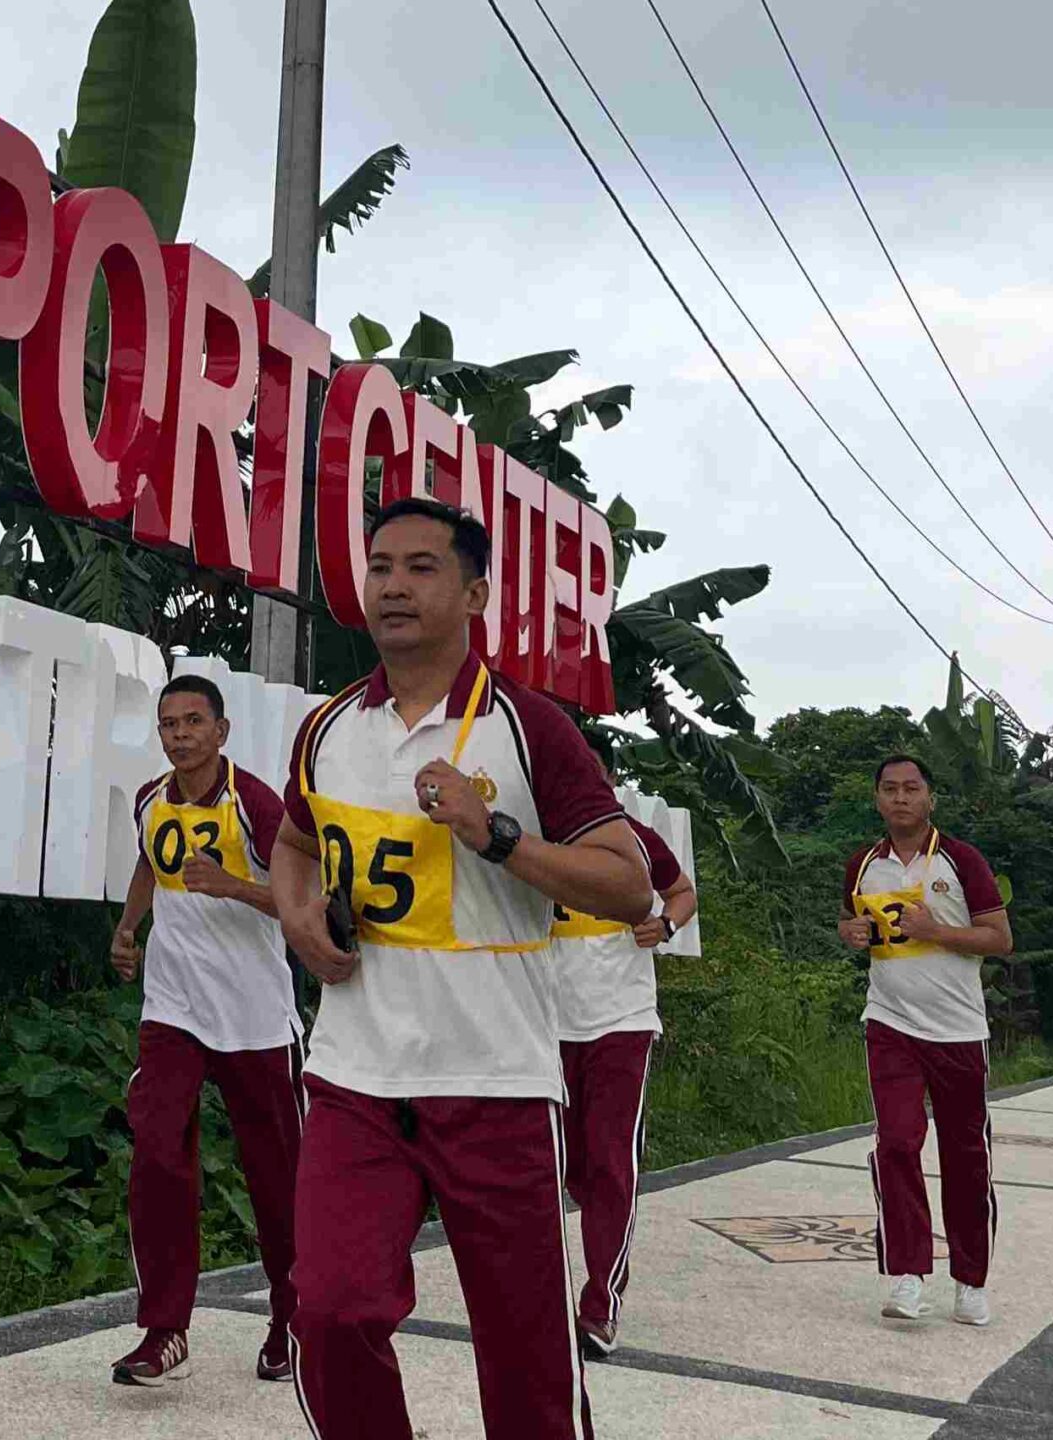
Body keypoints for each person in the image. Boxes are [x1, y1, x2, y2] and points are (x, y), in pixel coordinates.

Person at [272, 496, 654, 1440]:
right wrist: (298, 922)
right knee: (329, 1309)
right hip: (356, 1078)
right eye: (381, 566)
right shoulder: (328, 731)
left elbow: (627, 885)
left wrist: (498, 836)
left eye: (422, 567)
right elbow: (291, 842)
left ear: (476, 591)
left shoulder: (529, 728)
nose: (394, 585)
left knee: (525, 1361)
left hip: (497, 1081)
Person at [106, 675, 303, 1387]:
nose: (180, 734)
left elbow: (302, 899)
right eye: (168, 723)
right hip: (174, 1010)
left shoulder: (254, 803)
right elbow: (148, 865)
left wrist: (236, 887)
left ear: (221, 732)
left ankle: (292, 1316)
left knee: (277, 1179)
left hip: (254, 1019)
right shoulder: (149, 800)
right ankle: (163, 1332)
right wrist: (129, 927)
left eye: (193, 722)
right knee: (157, 1152)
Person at [838, 756, 1012, 1329]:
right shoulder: (863, 864)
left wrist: (936, 931)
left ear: (930, 798)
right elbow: (850, 925)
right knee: (896, 1142)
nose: (900, 799)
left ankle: (971, 1280)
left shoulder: (962, 860)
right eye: (889, 789)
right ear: (877, 799)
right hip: (889, 1021)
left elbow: (999, 938)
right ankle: (908, 1273)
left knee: (965, 1155)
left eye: (912, 788)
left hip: (958, 1029)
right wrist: (852, 934)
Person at [550, 814, 696, 1357]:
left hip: (621, 1021)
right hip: (542, 1023)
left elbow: (681, 891)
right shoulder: (524, 832)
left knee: (612, 1164)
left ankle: (600, 1305)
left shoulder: (632, 835)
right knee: (560, 1169)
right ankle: (546, 1294)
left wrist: (667, 926)